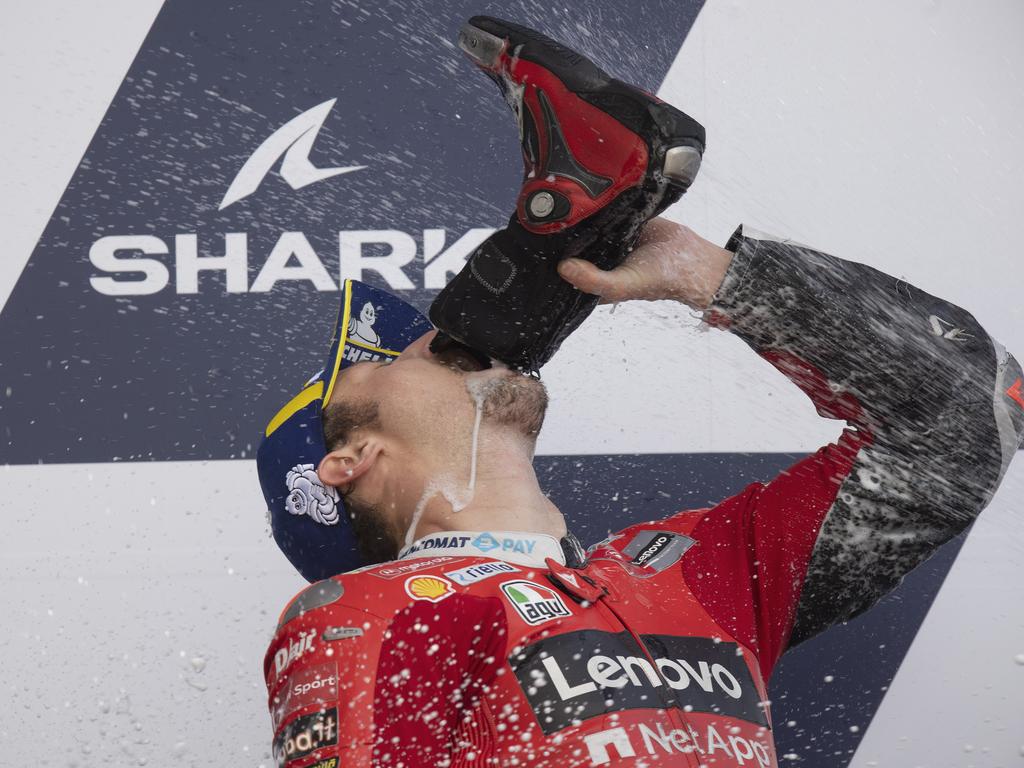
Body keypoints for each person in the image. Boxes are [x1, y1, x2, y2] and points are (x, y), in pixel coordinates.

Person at [256, 16, 1024, 768]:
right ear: (351, 458)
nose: (429, 340)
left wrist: (719, 279)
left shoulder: (699, 573)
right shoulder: (372, 616)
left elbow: (967, 422)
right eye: (383, 362)